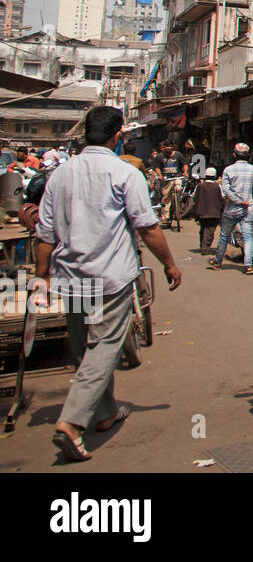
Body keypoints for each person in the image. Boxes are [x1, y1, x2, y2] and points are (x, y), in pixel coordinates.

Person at [32, 105, 182, 462]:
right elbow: (147, 227)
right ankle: (72, 422)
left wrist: (41, 277)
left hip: (72, 278)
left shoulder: (61, 175)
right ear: (117, 136)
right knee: (104, 349)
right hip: (110, 277)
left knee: (85, 349)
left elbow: (45, 234)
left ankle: (105, 413)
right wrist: (170, 265)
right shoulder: (124, 173)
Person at [209, 143, 253, 274]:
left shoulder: (228, 170)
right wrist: (247, 199)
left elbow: (226, 190)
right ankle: (248, 265)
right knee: (247, 237)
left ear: (234, 155)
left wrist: (238, 201)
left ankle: (217, 261)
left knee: (224, 236)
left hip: (232, 209)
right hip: (247, 209)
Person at [149, 141, 188, 222]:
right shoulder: (159, 156)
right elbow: (156, 168)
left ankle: (178, 203)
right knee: (166, 199)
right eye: (166, 146)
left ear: (173, 147)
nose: (168, 148)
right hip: (166, 179)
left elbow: (184, 164)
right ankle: (165, 216)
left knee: (178, 188)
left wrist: (185, 172)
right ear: (164, 147)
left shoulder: (178, 155)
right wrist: (160, 175)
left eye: (170, 146)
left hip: (177, 177)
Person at [195, 166, 224, 254]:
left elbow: (195, 198)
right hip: (214, 212)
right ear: (215, 176)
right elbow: (222, 198)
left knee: (203, 229)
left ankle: (203, 245)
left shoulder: (200, 186)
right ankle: (205, 248)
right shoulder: (217, 186)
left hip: (202, 212)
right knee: (210, 230)